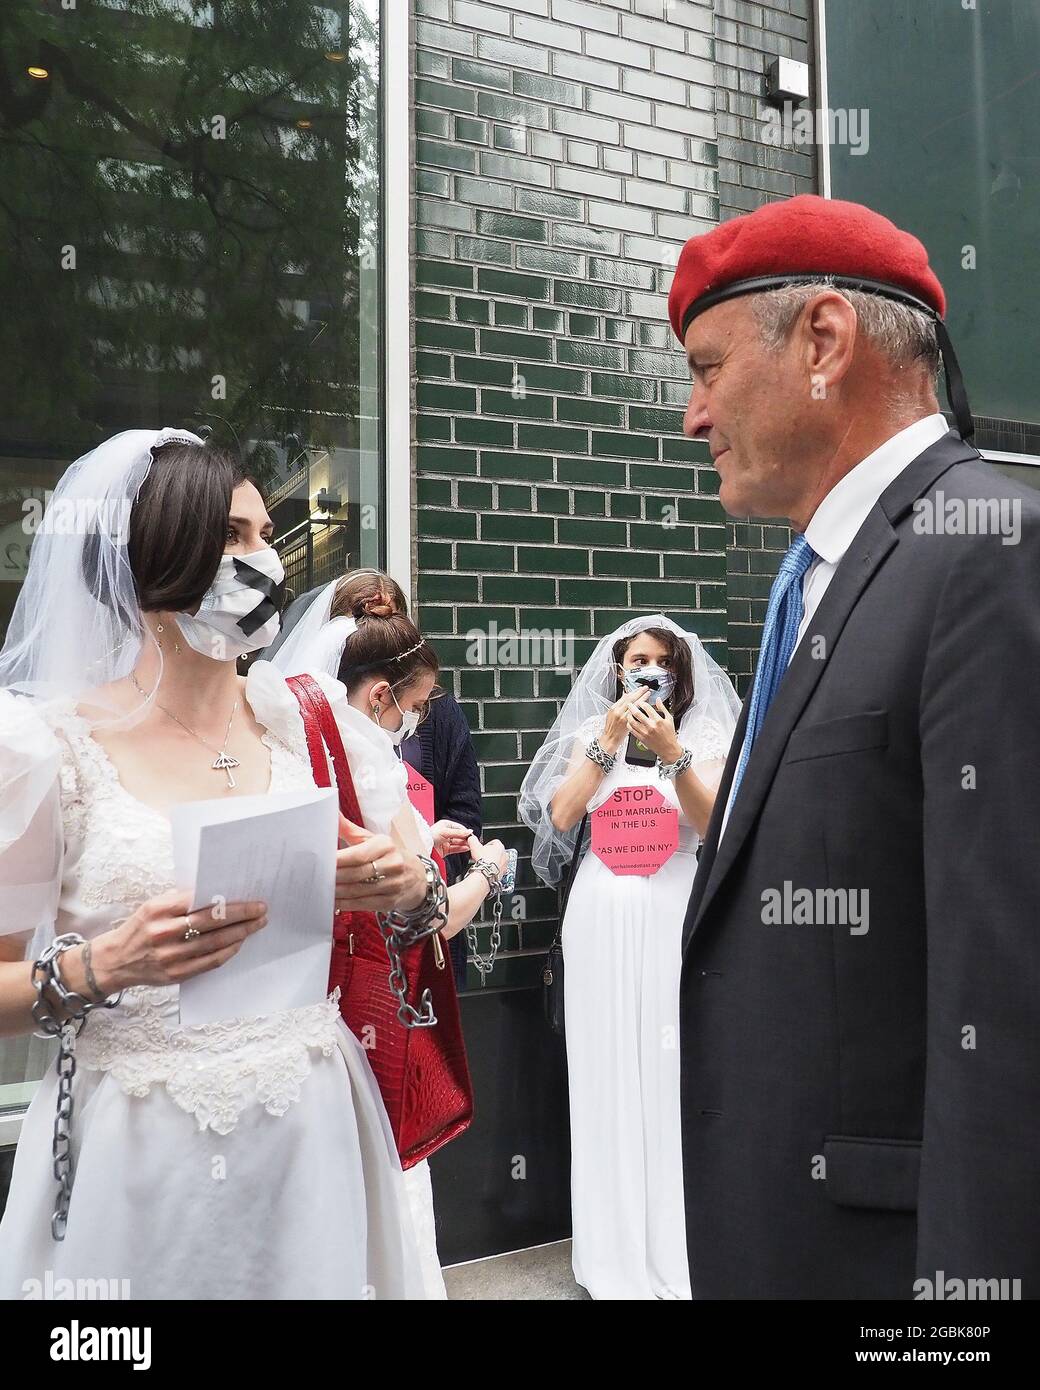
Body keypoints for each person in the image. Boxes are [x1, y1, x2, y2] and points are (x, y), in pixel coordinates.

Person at [668, 194, 1040, 1298]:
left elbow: (1006, 1000)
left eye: (706, 367)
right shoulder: (822, 578)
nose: (690, 416)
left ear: (822, 341)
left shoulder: (985, 554)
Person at [0, 429, 441, 1300]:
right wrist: (103, 965)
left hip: (310, 1126)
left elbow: (418, 889)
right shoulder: (46, 749)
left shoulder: (306, 720)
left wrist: (403, 884)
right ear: (153, 555)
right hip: (139, 1152)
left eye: (263, 535)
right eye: (232, 537)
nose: (262, 559)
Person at [269, 582, 507, 1298]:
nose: (422, 716)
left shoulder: (297, 738)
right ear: (380, 697)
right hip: (380, 1013)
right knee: (391, 1200)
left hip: (311, 1006)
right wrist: (490, 872)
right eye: (421, 701)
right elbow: (433, 913)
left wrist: (423, 835)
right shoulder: (373, 762)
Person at [519, 615, 739, 1300]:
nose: (648, 670)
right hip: (602, 913)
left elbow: (719, 825)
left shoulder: (705, 736)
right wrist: (608, 745)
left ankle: (677, 1250)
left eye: (661, 660)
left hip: (674, 909)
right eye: (636, 660)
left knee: (672, 1069)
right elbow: (558, 817)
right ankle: (611, 1255)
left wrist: (671, 751)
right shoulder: (595, 736)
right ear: (617, 672)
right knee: (607, 1065)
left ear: (681, 671)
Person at [269, 572, 483, 988]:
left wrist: (429, 847)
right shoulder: (350, 746)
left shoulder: (437, 712)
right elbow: (431, 912)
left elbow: (463, 805)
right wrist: (486, 872)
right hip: (380, 939)